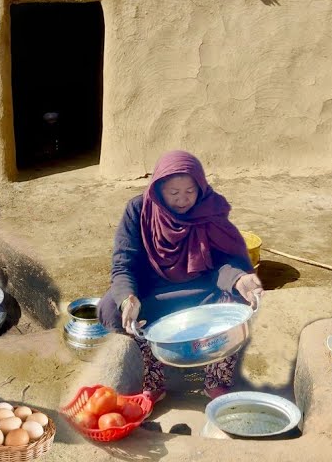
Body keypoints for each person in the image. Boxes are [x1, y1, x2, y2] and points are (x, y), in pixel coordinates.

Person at [96, 151, 263, 401]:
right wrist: (128, 298)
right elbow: (123, 264)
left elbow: (224, 260)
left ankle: (215, 379)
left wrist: (240, 278)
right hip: (152, 291)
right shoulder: (138, 210)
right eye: (173, 193)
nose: (183, 200)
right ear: (158, 189)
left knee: (239, 299)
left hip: (201, 288)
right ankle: (153, 380)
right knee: (112, 307)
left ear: (200, 187)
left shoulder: (209, 208)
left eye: (190, 191)